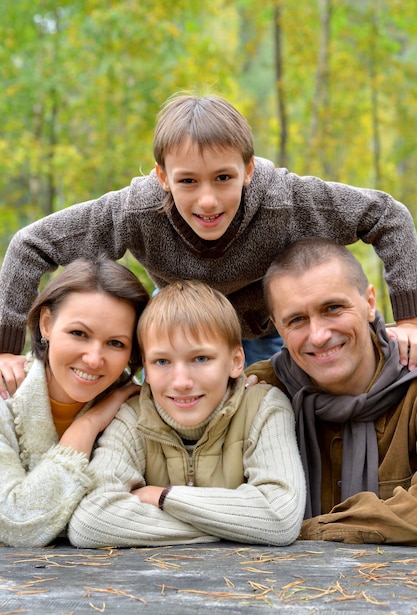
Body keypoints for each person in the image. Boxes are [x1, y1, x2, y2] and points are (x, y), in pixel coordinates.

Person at [2, 92, 417, 397]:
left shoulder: (285, 200)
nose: (207, 201)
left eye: (223, 178)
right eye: (187, 181)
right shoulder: (135, 212)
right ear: (163, 177)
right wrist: (5, 350)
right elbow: (32, 244)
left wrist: (410, 318)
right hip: (183, 323)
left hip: (264, 328)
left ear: (247, 170)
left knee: (275, 414)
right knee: (168, 409)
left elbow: (386, 216)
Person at [68, 280, 305, 548]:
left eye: (200, 359)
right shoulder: (133, 418)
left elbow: (280, 518)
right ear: (144, 366)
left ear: (236, 361)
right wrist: (238, 525)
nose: (181, 382)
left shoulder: (263, 407)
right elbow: (91, 522)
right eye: (162, 361)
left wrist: (164, 497)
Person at [246, 237, 417, 545]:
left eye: (333, 308)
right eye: (297, 319)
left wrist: (306, 531)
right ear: (277, 328)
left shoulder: (413, 384)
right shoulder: (259, 391)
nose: (319, 335)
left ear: (369, 303)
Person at [0, 256, 149, 548]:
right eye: (79, 334)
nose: (94, 359)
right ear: (47, 324)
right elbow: (17, 525)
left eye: (116, 343)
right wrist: (89, 424)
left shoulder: (138, 410)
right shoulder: (6, 397)